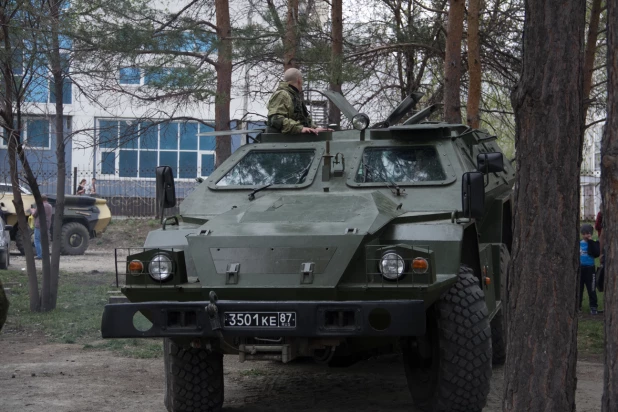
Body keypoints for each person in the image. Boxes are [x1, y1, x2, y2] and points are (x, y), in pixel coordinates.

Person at [266, 68, 331, 135]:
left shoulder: (294, 95)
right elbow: (276, 119)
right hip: (281, 141)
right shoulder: (282, 94)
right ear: (299, 80)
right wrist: (299, 128)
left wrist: (314, 128)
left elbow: (302, 118)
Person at [579, 224, 600, 314]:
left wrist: (591, 241)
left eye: (587, 233)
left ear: (590, 234)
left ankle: (593, 306)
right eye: (583, 233)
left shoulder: (594, 243)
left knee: (591, 288)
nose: (585, 235)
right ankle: (578, 306)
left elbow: (596, 254)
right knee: (579, 288)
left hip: (590, 269)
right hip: (580, 269)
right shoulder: (579, 243)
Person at [30, 195, 53, 259]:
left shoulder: (40, 205)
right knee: (44, 240)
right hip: (47, 225)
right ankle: (45, 254)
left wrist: (32, 211)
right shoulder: (50, 206)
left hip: (39, 225)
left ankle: (39, 255)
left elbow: (35, 215)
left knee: (37, 240)